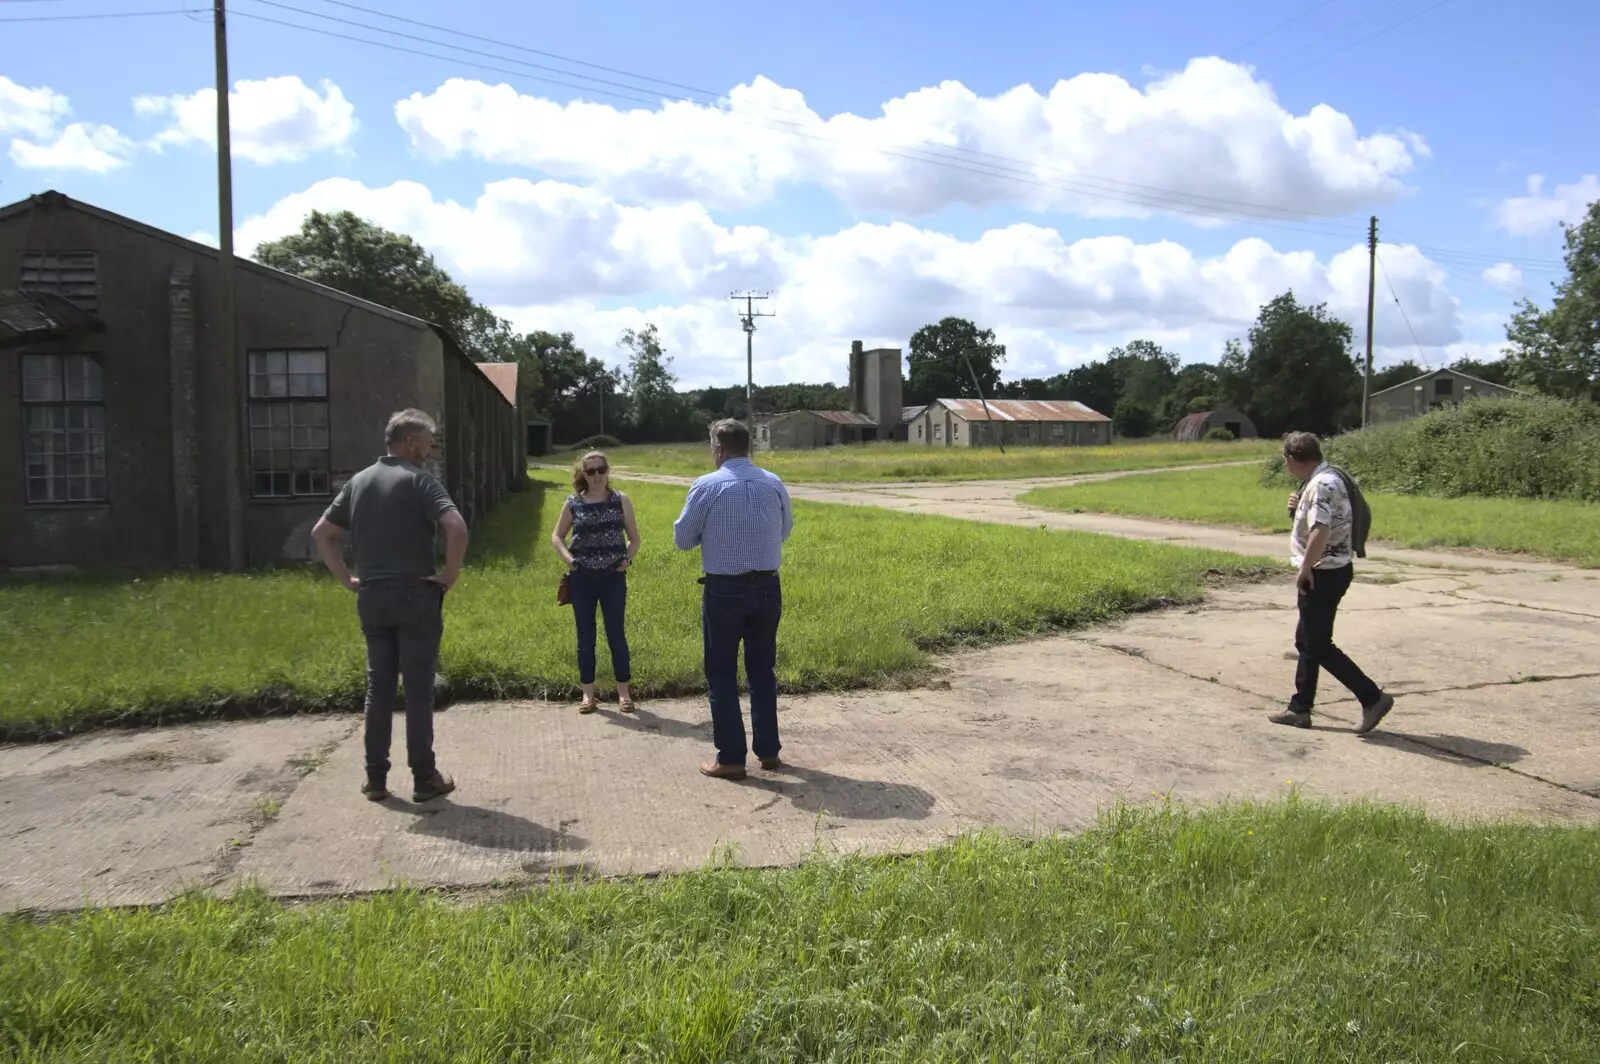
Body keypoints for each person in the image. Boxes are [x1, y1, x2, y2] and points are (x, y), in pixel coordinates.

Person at [311, 409, 468, 803]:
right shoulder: (421, 481)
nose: (431, 450)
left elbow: (322, 533)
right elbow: (457, 527)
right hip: (415, 595)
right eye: (428, 442)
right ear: (412, 442)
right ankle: (423, 778)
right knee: (417, 692)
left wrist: (346, 579)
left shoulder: (358, 482)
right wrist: (449, 574)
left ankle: (376, 779)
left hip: (373, 598)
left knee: (378, 691)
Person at [673, 419, 793, 780]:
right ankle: (769, 752)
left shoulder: (707, 486)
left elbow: (683, 538)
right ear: (749, 448)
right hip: (768, 587)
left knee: (722, 673)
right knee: (761, 672)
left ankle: (730, 758)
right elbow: (784, 530)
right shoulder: (773, 483)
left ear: (718, 449)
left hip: (724, 589)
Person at [1270, 431, 1394, 735]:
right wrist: (1296, 508)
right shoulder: (1325, 478)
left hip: (1322, 572)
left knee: (1318, 645)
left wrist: (1306, 568)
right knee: (1306, 641)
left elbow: (1321, 530)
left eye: (1285, 460)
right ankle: (1300, 708)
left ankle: (1372, 698)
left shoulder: (1321, 484)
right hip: (1332, 569)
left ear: (1291, 458)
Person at [551, 450, 641, 713]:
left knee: (616, 634)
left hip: (613, 577)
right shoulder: (573, 504)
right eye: (590, 471)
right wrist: (569, 559)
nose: (597, 476)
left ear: (607, 470)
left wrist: (628, 559)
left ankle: (623, 694)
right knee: (585, 636)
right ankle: (588, 695)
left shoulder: (620, 500)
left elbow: (635, 539)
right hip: (583, 579)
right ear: (583, 474)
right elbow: (557, 536)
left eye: (601, 469)